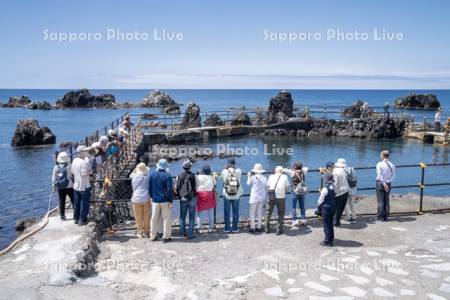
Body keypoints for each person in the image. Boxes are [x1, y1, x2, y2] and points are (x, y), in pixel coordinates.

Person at [149, 159, 173, 242]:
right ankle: (166, 236)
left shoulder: (152, 175)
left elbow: (150, 188)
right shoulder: (167, 176)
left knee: (154, 218)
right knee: (166, 218)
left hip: (155, 200)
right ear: (165, 167)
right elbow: (170, 190)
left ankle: (153, 235)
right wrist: (170, 201)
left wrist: (151, 197)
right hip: (165, 200)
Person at [220, 158, 243, 233]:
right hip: (236, 194)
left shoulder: (224, 171)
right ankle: (235, 228)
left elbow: (221, 179)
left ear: (228, 164)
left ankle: (227, 228)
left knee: (227, 211)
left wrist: (225, 168)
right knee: (235, 211)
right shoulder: (239, 171)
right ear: (234, 164)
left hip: (227, 194)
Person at [175, 159, 197, 240]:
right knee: (191, 217)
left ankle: (183, 233)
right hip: (192, 197)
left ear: (183, 167)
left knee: (182, 217)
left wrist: (179, 195)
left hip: (183, 198)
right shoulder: (192, 175)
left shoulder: (179, 175)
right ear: (190, 167)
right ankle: (190, 234)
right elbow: (195, 187)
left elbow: (177, 187)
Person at [72, 146, 93, 226]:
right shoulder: (83, 162)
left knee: (77, 202)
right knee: (84, 203)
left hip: (76, 185)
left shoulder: (74, 160)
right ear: (81, 152)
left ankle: (76, 218)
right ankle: (82, 219)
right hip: (84, 185)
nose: (86, 152)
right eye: (85, 151)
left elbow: (72, 172)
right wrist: (90, 172)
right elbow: (84, 173)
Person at [265, 166, 289, 235]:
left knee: (268, 212)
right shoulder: (285, 177)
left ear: (275, 171)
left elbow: (268, 186)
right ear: (282, 171)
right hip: (281, 197)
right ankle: (279, 228)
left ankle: (266, 228)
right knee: (281, 212)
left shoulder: (271, 176)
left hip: (271, 196)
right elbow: (286, 189)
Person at [130, 163, 151, 238]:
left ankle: (139, 233)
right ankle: (146, 232)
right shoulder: (148, 176)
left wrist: (135, 170)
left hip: (136, 198)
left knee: (138, 217)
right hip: (146, 197)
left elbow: (131, 175)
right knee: (146, 216)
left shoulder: (135, 176)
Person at [52, 151, 74, 220]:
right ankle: (76, 214)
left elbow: (53, 177)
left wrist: (54, 185)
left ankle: (62, 216)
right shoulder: (70, 165)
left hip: (60, 187)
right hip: (70, 186)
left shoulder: (56, 167)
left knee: (61, 201)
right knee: (73, 200)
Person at [317, 169, 337, 247]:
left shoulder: (325, 188)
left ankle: (327, 241)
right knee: (330, 224)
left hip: (326, 207)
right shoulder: (334, 186)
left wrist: (318, 206)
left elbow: (320, 200)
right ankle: (331, 238)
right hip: (333, 206)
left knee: (326, 224)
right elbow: (335, 194)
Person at [195, 164, 217, 233]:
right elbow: (214, 184)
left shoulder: (198, 177)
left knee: (199, 213)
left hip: (200, 194)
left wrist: (197, 173)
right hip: (209, 194)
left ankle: (200, 229)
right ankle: (210, 228)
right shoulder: (211, 177)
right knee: (210, 213)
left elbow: (195, 184)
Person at [247, 163, 268, 233]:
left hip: (254, 196)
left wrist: (248, 176)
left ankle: (252, 227)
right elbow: (266, 187)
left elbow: (248, 183)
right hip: (262, 196)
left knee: (252, 212)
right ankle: (259, 227)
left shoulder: (253, 177)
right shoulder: (265, 178)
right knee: (260, 212)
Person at [376, 150, 396, 221]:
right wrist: (387, 182)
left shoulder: (379, 164)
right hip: (388, 183)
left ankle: (379, 217)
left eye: (380, 155)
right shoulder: (392, 165)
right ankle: (386, 217)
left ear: (383, 155)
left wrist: (384, 184)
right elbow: (393, 176)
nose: (380, 156)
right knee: (386, 200)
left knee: (380, 201)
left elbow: (379, 175)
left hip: (380, 184)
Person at [332, 158, 350, 226]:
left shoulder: (335, 171)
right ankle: (337, 221)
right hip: (346, 190)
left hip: (339, 192)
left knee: (337, 207)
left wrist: (334, 193)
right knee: (341, 208)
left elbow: (335, 184)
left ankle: (335, 222)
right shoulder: (345, 170)